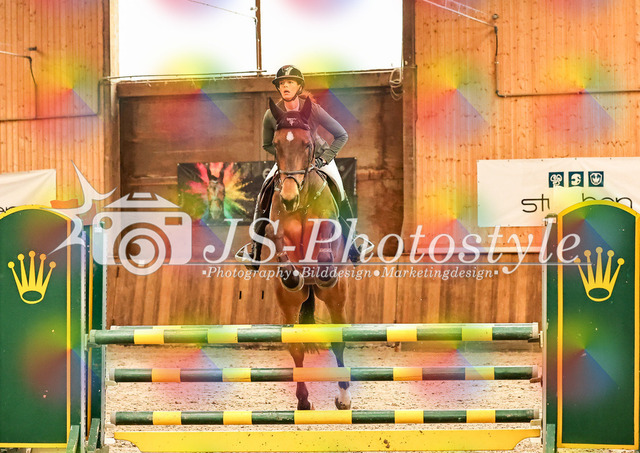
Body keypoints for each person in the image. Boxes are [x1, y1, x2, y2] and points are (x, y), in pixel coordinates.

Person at [237, 65, 370, 270]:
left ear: (299, 86)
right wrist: (287, 156)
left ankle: (353, 248)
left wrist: (324, 159)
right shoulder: (271, 115)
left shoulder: (313, 110)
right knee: (264, 191)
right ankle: (255, 251)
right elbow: (266, 144)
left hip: (318, 158)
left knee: (340, 191)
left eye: (290, 82)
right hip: (288, 164)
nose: (285, 86)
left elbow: (341, 135)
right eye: (282, 83)